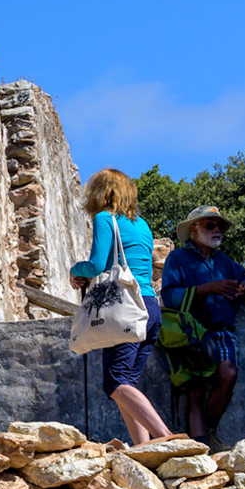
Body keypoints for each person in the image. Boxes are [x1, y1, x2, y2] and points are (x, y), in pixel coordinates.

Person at [68, 168, 173, 445]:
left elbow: (97, 265)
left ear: (100, 193)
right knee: (126, 382)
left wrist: (76, 269)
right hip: (150, 307)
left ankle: (166, 438)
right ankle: (144, 447)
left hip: (125, 308)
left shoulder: (105, 218)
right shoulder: (143, 225)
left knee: (115, 382)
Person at [159, 204, 245, 443]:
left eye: (220, 226)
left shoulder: (226, 262)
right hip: (190, 333)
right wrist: (205, 289)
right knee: (194, 389)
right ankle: (201, 445)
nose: (218, 230)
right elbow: (169, 296)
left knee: (228, 374)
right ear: (194, 229)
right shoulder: (177, 259)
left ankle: (209, 432)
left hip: (222, 332)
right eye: (211, 225)